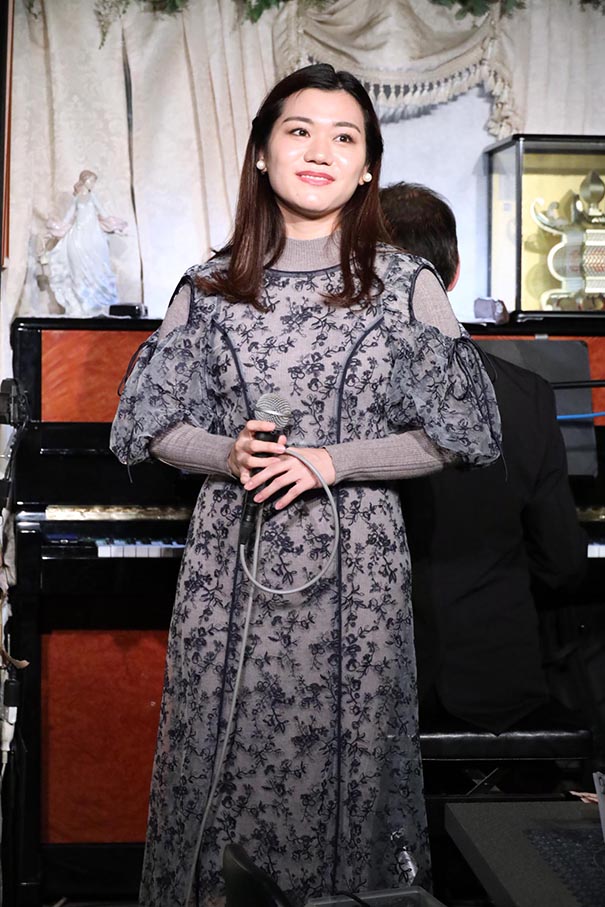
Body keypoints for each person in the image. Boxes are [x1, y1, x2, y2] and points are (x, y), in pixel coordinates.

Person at [110, 67, 501, 907]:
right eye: (299, 130)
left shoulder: (405, 285)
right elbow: (146, 423)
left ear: (366, 168)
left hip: (355, 574)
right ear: (261, 152)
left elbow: (465, 431)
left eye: (343, 136)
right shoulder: (208, 286)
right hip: (229, 570)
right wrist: (226, 453)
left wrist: (333, 460)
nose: (320, 149)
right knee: (223, 772)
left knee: (346, 777)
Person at [380, 181, 587, 734]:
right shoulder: (528, 394)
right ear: (452, 275)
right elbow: (563, 563)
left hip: (373, 689)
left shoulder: (331, 396)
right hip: (497, 677)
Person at [45, 169, 127, 316]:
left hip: (93, 235)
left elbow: (103, 213)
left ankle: (97, 304)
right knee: (78, 270)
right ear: (85, 181)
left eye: (94, 181)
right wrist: (57, 228)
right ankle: (79, 305)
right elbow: (68, 216)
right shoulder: (77, 199)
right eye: (91, 181)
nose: (93, 184)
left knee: (98, 267)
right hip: (78, 236)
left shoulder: (92, 197)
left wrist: (114, 226)